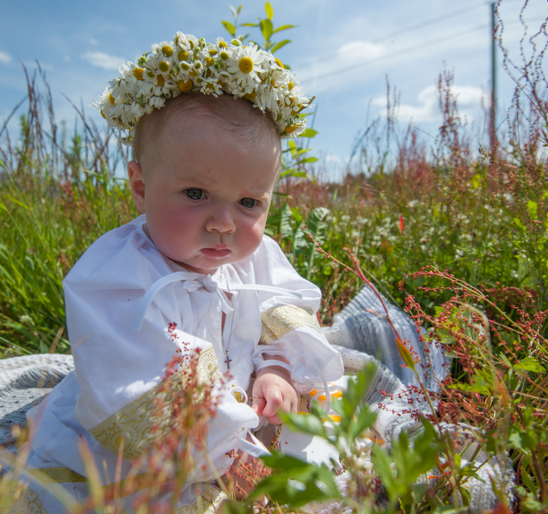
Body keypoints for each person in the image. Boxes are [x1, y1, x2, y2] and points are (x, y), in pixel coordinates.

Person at [21, 32, 344, 512]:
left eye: (249, 202)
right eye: (196, 194)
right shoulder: (121, 275)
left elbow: (281, 308)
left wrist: (273, 370)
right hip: (163, 435)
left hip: (240, 407)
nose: (223, 222)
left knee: (319, 449)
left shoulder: (255, 258)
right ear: (140, 185)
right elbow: (143, 377)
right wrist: (226, 449)